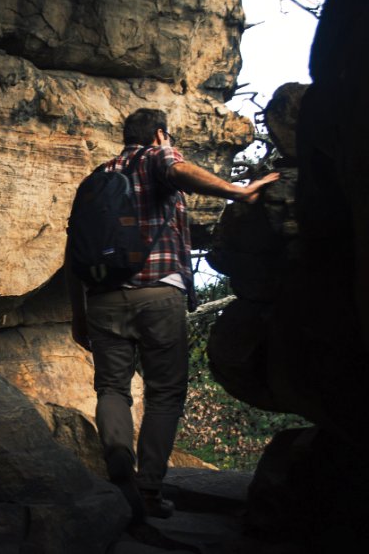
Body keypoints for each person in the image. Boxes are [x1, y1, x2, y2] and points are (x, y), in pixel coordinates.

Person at [66, 108, 279, 522]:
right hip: (158, 293)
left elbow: (74, 247)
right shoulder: (156, 157)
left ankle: (117, 461)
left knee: (112, 387)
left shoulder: (96, 178)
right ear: (160, 134)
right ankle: (147, 489)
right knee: (165, 391)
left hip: (104, 299)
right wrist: (238, 190)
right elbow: (178, 171)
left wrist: (79, 313)